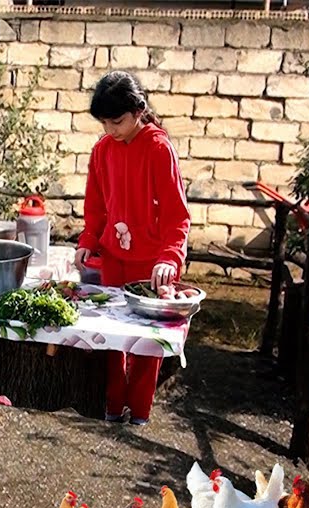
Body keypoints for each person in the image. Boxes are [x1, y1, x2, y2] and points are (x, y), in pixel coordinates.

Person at [73, 71, 191, 427]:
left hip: (152, 263)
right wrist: (88, 240)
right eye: (105, 122)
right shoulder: (102, 150)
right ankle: (111, 405)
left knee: (146, 340)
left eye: (118, 121)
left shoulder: (158, 147)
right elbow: (95, 206)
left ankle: (138, 411)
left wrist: (170, 257)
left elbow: (176, 214)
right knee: (110, 332)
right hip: (113, 257)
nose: (111, 130)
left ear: (139, 111)